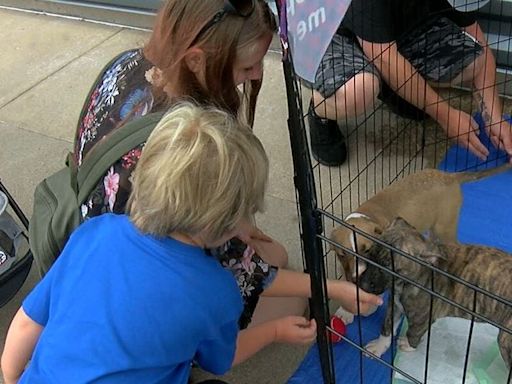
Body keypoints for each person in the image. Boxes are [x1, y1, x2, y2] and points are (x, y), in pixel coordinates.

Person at [71, 0, 383, 366]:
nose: (253, 76)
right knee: (287, 292)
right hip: (143, 291)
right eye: (247, 65)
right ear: (197, 60)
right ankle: (177, 353)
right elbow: (247, 274)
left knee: (273, 256)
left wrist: (242, 231)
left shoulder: (128, 63)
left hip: (97, 252)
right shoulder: (189, 157)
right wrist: (330, 290)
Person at [0, 103, 265, 384]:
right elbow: (219, 361)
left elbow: (28, 322)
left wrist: (12, 377)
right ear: (224, 221)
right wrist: (276, 331)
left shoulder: (95, 233)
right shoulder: (217, 291)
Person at [306, 0, 512, 166]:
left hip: (390, 33)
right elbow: (383, 57)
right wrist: (445, 114)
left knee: (473, 61)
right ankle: (320, 114)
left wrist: (494, 118)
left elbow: (479, 45)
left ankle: (392, 85)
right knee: (357, 90)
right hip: (333, 31)